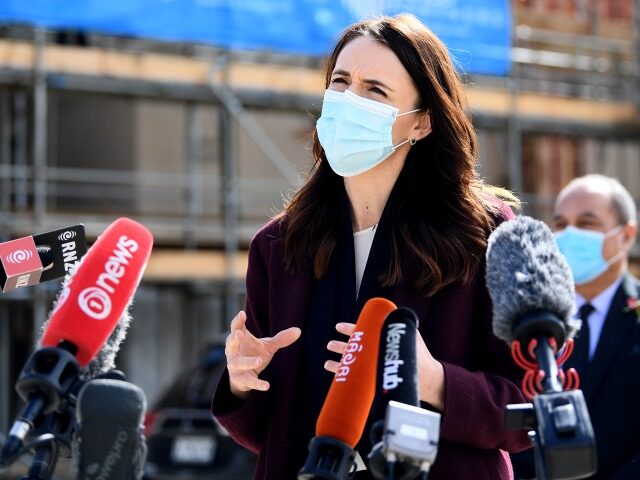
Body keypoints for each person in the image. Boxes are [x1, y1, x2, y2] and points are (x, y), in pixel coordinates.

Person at [212, 14, 530, 480]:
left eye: (374, 90)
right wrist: (243, 382)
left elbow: (526, 413)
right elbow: (266, 435)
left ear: (421, 123)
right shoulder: (278, 245)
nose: (348, 101)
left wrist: (433, 379)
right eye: (340, 82)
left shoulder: (487, 234)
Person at [511, 174, 640, 479]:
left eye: (586, 224)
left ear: (626, 236)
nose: (569, 235)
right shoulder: (523, 315)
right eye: (560, 224)